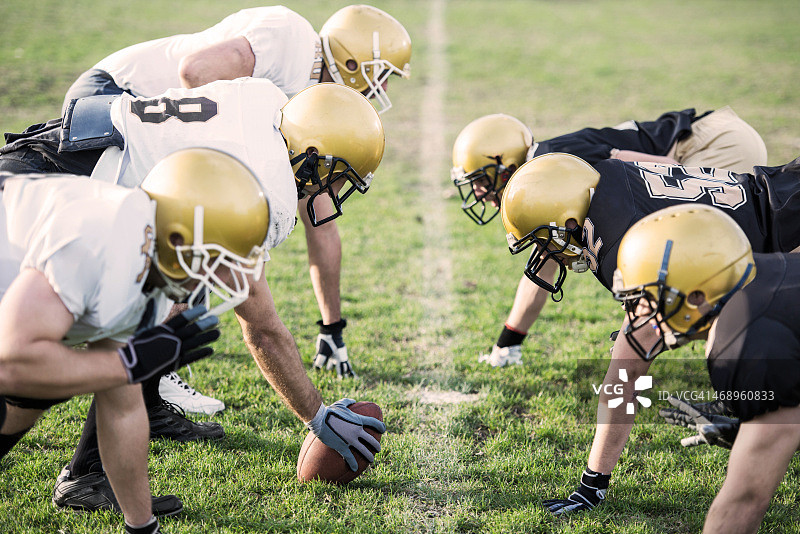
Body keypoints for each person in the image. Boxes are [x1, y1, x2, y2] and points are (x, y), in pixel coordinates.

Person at [0, 80, 387, 515]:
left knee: (159, 305)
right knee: (138, 319)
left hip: (61, 150)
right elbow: (259, 323)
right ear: (313, 155)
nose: (328, 193)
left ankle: (116, 443)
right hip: (66, 188)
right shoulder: (267, 182)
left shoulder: (267, 100)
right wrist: (316, 416)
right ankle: (89, 469)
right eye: (334, 179)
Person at [62, 5, 412, 403]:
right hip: (114, 102)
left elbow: (320, 221)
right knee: (201, 232)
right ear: (352, 59)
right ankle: (149, 378)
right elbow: (194, 72)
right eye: (380, 73)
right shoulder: (291, 41)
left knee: (203, 236)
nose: (380, 88)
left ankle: (149, 384)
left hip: (133, 124)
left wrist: (332, 329)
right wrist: (206, 175)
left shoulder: (312, 102)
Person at [496, 153, 800, 515]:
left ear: (571, 220)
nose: (547, 253)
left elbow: (625, 375)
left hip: (785, 227)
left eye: (546, 240)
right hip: (776, 189)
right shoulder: (604, 176)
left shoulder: (617, 243)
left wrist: (592, 484)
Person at [0, 147, 272, 534]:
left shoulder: (146, 260)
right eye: (219, 258)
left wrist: (142, 526)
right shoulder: (101, 236)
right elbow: (12, 362)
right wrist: (129, 363)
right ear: (180, 238)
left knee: (48, 384)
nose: (226, 278)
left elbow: (122, 407)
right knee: (37, 376)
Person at [449, 109, 768, 367]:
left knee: (707, 272)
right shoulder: (545, 170)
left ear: (502, 160)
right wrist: (508, 344)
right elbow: (545, 262)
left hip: (710, 146)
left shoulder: (551, 162)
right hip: (715, 135)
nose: (479, 193)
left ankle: (744, 385)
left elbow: (666, 168)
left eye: (479, 179)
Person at [612, 204, 800, 534]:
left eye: (651, 300)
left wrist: (758, 434)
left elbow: (745, 498)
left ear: (697, 295)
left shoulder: (743, 340)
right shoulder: (770, 275)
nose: (641, 317)